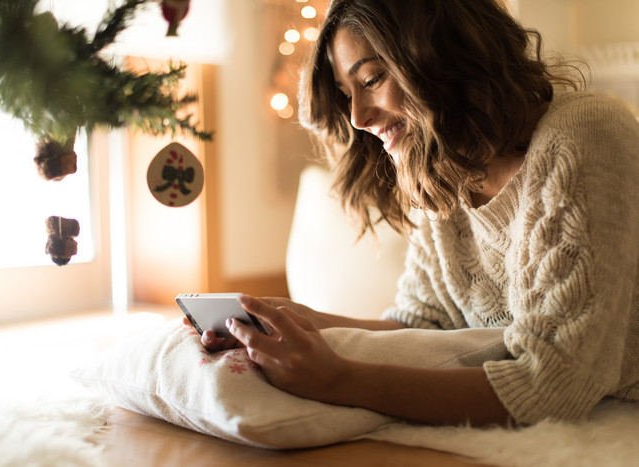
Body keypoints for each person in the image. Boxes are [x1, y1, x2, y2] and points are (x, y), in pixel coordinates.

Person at [189, 0, 639, 427]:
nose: (359, 117)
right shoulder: (443, 170)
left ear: (445, 56)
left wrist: (338, 380)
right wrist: (299, 319)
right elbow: (418, 326)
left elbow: (552, 382)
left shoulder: (585, 134)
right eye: (348, 94)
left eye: (371, 80)